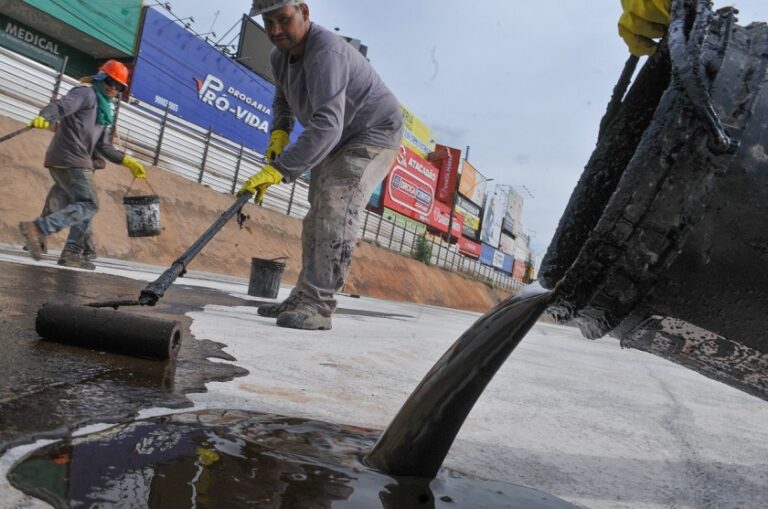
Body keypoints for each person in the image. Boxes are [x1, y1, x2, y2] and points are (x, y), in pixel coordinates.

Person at [240, 0, 403, 330]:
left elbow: (328, 123)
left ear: (304, 11)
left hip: (372, 132)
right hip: (339, 136)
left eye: (283, 20)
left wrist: (280, 169)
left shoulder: (326, 52)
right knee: (315, 217)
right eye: (268, 23)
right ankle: (304, 294)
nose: (275, 31)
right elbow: (283, 99)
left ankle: (319, 304)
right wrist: (279, 134)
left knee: (335, 210)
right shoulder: (279, 56)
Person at [19, 60, 147, 270]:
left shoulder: (103, 112)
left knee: (66, 202)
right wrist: (44, 116)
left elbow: (104, 146)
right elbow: (62, 106)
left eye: (118, 86)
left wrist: (128, 161)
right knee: (89, 204)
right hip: (73, 158)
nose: (113, 88)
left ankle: (66, 247)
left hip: (66, 160)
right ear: (100, 77)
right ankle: (43, 232)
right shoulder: (86, 94)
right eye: (109, 81)